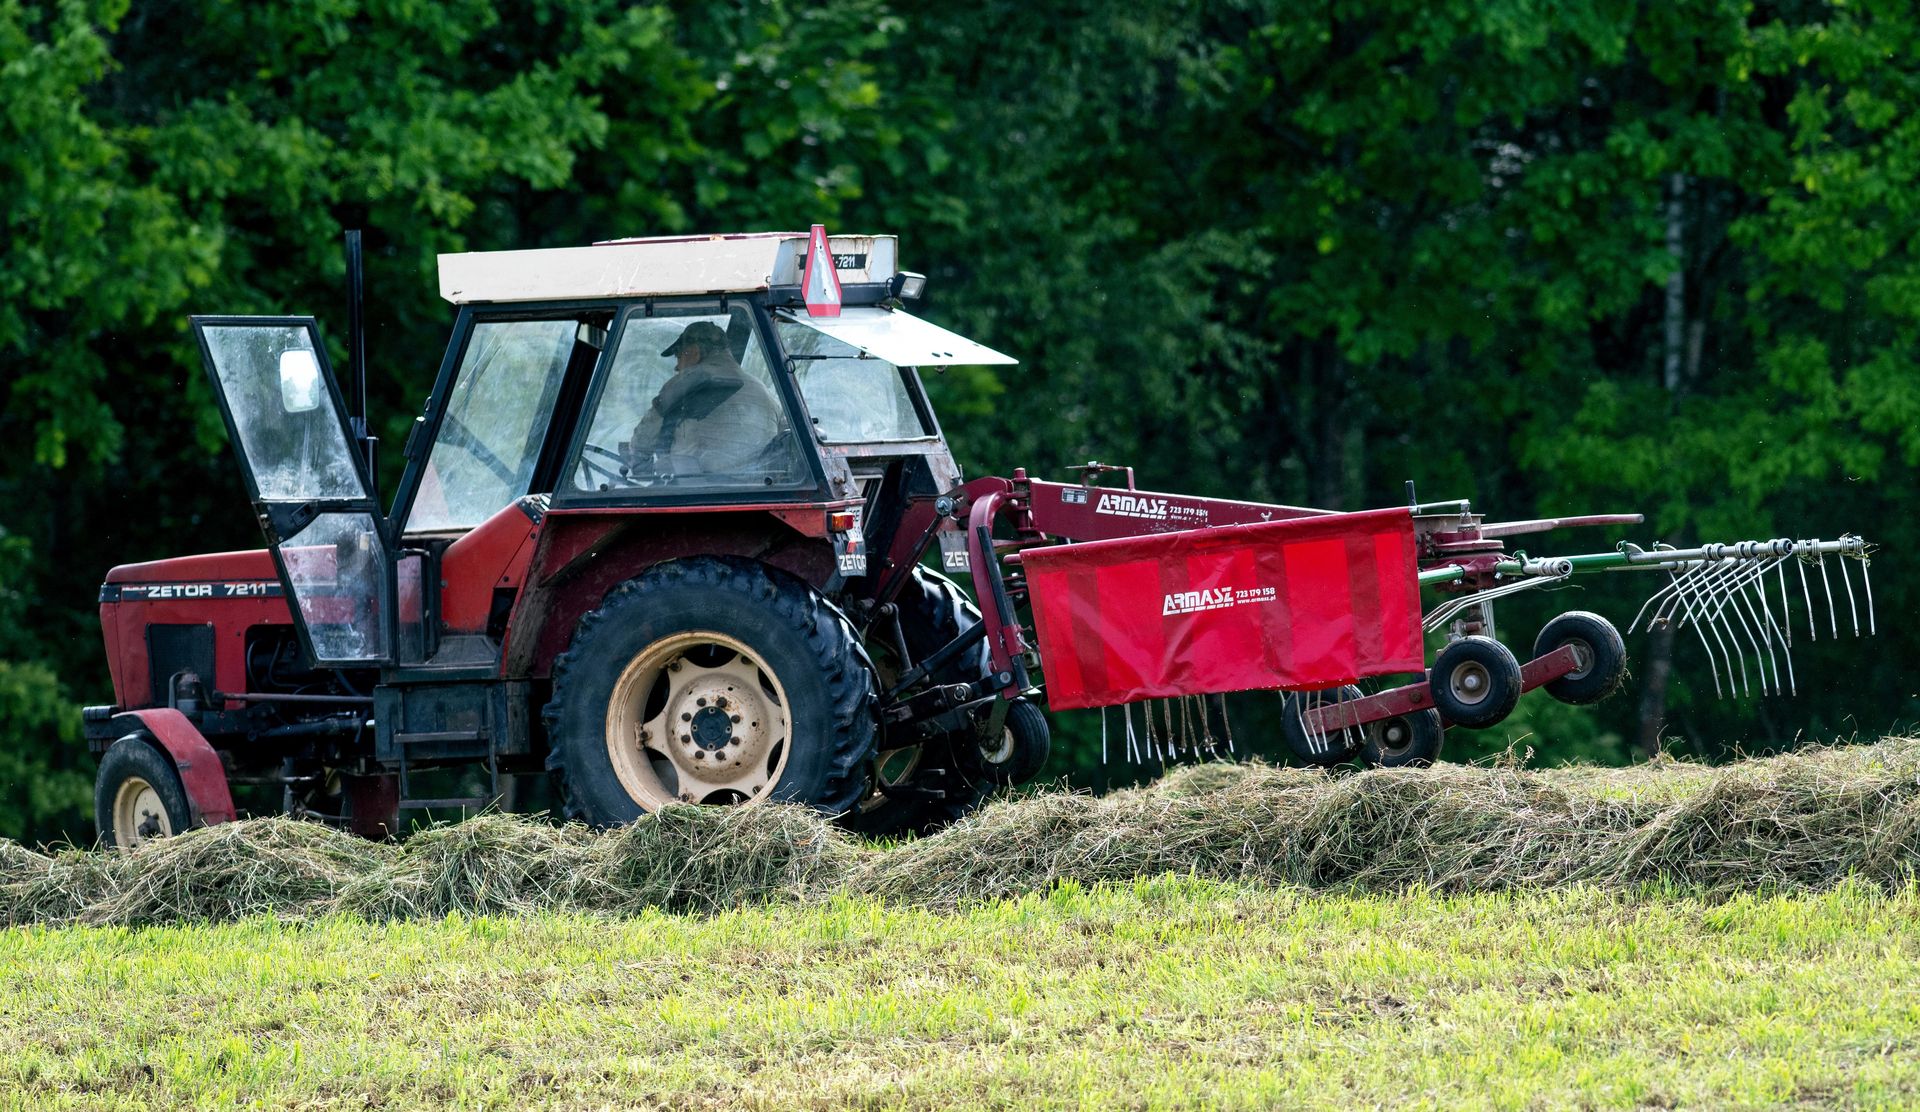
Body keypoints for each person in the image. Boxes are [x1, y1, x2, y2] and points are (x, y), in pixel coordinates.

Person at [626, 319, 784, 478]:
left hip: (694, 492)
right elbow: (782, 446)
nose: (676, 367)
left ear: (693, 352)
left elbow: (644, 438)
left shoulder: (688, 381)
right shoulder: (766, 393)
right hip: (755, 491)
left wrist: (642, 472)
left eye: (678, 356)